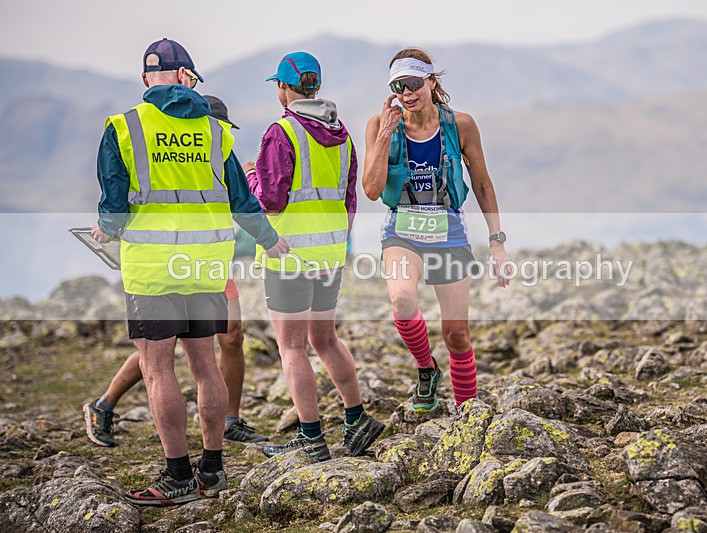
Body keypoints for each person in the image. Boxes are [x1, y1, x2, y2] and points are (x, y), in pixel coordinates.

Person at [92, 38, 288, 506]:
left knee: (158, 370)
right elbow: (242, 200)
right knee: (205, 366)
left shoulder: (124, 126)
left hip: (153, 271)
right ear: (186, 76)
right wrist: (269, 239)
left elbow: (114, 202)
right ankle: (213, 469)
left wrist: (105, 229)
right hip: (206, 266)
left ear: (146, 79)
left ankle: (178, 477)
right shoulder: (216, 133)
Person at [84, 96, 268, 449]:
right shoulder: (184, 154)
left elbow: (239, 213)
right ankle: (104, 404)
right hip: (171, 264)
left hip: (211, 264)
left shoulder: (220, 155)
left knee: (232, 336)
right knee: (166, 347)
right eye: (218, 128)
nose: (221, 135)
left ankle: (229, 420)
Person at [243, 51, 384, 462]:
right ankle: (356, 420)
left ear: (284, 87)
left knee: (291, 347)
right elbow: (349, 199)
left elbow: (270, 199)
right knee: (325, 339)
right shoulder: (342, 133)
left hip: (289, 254)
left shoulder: (281, 132)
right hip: (330, 254)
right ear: (315, 86)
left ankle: (310, 437)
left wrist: (250, 175)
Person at [363, 48, 511, 413]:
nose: (407, 93)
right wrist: (384, 136)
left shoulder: (461, 125)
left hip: (449, 231)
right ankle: (427, 369)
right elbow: (371, 190)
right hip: (402, 229)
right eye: (398, 86)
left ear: (431, 81)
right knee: (402, 301)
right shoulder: (379, 124)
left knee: (457, 335)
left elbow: (482, 182)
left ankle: (467, 416)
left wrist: (497, 243)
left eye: (413, 83)